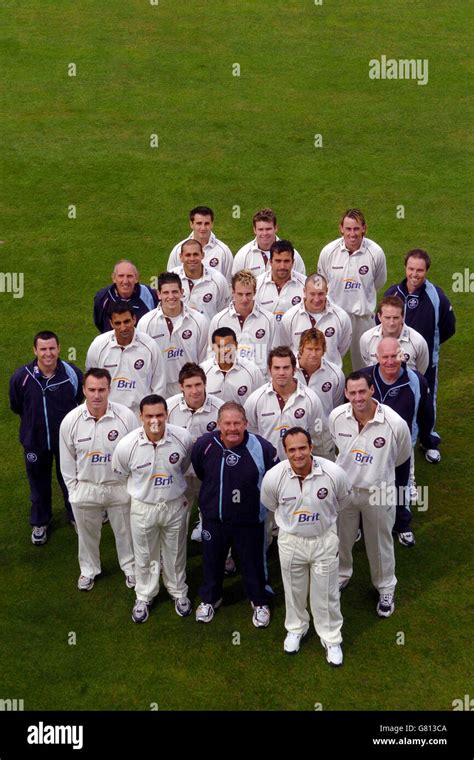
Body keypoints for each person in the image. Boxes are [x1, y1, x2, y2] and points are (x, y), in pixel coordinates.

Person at [261, 428, 352, 665]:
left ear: (311, 447)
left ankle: (331, 638)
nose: (298, 454)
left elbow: (342, 502)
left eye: (302, 448)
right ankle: (296, 628)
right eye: (292, 450)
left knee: (327, 592)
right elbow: (271, 505)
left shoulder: (333, 473)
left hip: (324, 540)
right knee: (294, 589)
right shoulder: (274, 477)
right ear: (285, 451)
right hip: (291, 541)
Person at [329, 372, 411, 617]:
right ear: (345, 394)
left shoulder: (395, 424)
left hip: (379, 492)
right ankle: (343, 574)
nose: (357, 398)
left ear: (372, 390)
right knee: (342, 538)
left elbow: (402, 457)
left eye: (362, 391)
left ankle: (386, 587)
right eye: (352, 393)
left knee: (379, 542)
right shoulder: (336, 417)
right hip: (346, 491)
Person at [191, 402, 279, 627]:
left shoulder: (262, 447)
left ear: (246, 424)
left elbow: (273, 479)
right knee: (212, 562)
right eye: (227, 423)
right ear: (219, 424)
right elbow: (201, 471)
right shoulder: (205, 445)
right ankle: (211, 599)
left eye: (237, 423)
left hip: (249, 521)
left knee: (253, 562)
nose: (232, 428)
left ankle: (259, 600)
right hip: (214, 520)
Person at [112, 395, 194, 624]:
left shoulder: (182, 438)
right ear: (141, 416)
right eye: (149, 416)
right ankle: (145, 595)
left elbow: (184, 467)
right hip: (143, 507)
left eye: (159, 415)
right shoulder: (127, 446)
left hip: (174, 504)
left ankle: (178, 591)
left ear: (167, 414)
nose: (154, 420)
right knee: (145, 554)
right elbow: (120, 472)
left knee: (176, 550)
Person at [59, 369, 138, 591]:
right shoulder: (70, 421)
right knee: (87, 535)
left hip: (118, 487)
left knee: (126, 533)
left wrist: (130, 487)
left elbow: (135, 453)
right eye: (91, 390)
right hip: (86, 488)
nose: (96, 395)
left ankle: (130, 568)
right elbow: (66, 462)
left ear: (109, 390)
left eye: (101, 390)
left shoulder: (126, 417)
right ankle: (88, 570)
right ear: (84, 390)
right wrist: (74, 491)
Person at [360, 337, 439, 547]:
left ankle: (402, 525)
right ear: (377, 357)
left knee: (401, 486)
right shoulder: (365, 378)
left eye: (394, 356)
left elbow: (425, 413)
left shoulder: (417, 381)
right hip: (369, 446)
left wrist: (427, 440)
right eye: (384, 357)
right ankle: (360, 523)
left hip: (402, 448)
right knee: (365, 484)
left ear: (402, 354)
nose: (390, 361)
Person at [9, 330, 83, 545]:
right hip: (34, 441)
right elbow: (17, 406)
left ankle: (75, 515)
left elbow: (78, 401)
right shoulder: (21, 378)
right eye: (43, 349)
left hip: (66, 442)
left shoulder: (72, 374)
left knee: (70, 480)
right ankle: (40, 522)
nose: (48, 353)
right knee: (38, 483)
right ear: (35, 350)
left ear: (59, 348)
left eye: (52, 348)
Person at [383, 248, 456, 458]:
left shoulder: (437, 297)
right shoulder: (393, 293)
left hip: (425, 361)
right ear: (405, 268)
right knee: (394, 396)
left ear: (427, 271)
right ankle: (390, 437)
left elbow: (448, 327)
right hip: (394, 360)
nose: (415, 274)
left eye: (420, 270)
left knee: (426, 398)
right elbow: (381, 323)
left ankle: (428, 439)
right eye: (411, 269)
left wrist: (427, 348)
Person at [317, 209, 387, 370]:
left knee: (365, 366)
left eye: (356, 229)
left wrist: (361, 296)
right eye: (348, 229)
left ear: (364, 228)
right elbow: (324, 282)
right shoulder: (328, 252)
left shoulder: (375, 253)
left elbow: (378, 282)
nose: (352, 234)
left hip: (362, 318)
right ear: (341, 228)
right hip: (334, 316)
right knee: (328, 363)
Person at [166, 363, 223, 541]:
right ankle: (172, 561)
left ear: (205, 384)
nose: (195, 391)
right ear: (181, 387)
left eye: (198, 385)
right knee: (176, 519)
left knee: (214, 515)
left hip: (209, 474)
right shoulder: (168, 407)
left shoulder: (220, 409)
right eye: (189, 386)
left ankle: (224, 557)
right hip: (179, 473)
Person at [85, 302, 166, 417]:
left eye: (127, 321)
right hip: (109, 413)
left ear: (134, 319)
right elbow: (90, 381)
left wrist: (152, 414)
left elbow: (159, 384)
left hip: (139, 414)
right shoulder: (98, 345)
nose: (123, 328)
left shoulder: (150, 346)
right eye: (118, 323)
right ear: (111, 323)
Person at [245, 346, 325, 462]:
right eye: (277, 368)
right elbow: (250, 436)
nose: (281, 373)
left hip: (300, 464)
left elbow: (318, 436)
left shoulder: (311, 399)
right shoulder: (255, 400)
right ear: (269, 370)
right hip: (267, 465)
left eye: (286, 368)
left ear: (294, 369)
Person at [137, 272, 209, 397]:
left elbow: (204, 358)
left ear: (182, 292)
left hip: (189, 388)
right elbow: (143, 360)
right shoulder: (146, 323)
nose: (171, 296)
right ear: (158, 294)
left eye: (175, 292)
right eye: (166, 293)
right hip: (158, 389)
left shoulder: (199, 321)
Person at [208, 270, 275, 375]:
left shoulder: (268, 319)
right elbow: (211, 354)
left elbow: (274, 353)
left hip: (260, 380)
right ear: (233, 292)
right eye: (240, 294)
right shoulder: (219, 320)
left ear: (255, 292)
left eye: (248, 294)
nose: (244, 299)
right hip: (230, 379)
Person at [279, 273, 352, 367]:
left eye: (321, 294)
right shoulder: (289, 317)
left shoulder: (341, 317)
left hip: (329, 376)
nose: (316, 299)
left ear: (327, 291)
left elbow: (342, 347)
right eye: (312, 294)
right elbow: (285, 347)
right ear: (304, 291)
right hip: (298, 376)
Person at [295, 328, 345, 459]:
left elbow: (337, 406)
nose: (313, 354)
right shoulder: (288, 371)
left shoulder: (335, 374)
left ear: (324, 350)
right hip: (294, 434)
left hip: (323, 435)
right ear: (301, 349)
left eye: (317, 349)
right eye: (309, 349)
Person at [360, 295, 429, 373]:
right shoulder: (366, 338)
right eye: (387, 317)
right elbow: (368, 364)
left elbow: (420, 371)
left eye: (396, 318)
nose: (391, 323)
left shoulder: (418, 342)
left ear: (403, 317)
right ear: (379, 317)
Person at [167, 205, 233, 284]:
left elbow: (229, 284)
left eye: (206, 224)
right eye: (199, 223)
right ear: (191, 224)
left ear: (212, 224)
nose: (203, 228)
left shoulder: (223, 251)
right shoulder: (178, 250)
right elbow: (169, 282)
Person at [233, 208, 306, 279]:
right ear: (254, 230)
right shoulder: (242, 256)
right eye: (260, 229)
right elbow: (235, 286)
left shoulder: (292, 255)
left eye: (268, 229)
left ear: (276, 228)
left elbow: (301, 282)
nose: (264, 233)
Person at [255, 240, 306, 339]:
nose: (282, 266)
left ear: (293, 262)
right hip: (266, 347)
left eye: (286, 261)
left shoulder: (305, 286)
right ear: (270, 262)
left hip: (294, 348)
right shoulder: (256, 285)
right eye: (278, 261)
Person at [200, 327, 265, 405]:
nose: (224, 350)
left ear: (236, 345)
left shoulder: (252, 371)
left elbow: (261, 402)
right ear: (213, 348)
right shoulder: (202, 371)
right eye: (220, 346)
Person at [170, 239, 229, 319]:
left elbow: (224, 313)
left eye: (195, 254)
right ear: (181, 257)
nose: (192, 259)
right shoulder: (171, 278)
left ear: (203, 255)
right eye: (188, 255)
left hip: (208, 331)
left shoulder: (218, 280)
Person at [93, 260, 158, 333]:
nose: (125, 281)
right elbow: (100, 323)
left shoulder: (150, 294)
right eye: (121, 276)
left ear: (136, 278)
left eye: (129, 276)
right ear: (114, 278)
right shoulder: (102, 297)